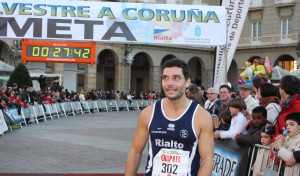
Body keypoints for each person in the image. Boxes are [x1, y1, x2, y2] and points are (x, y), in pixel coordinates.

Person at [125, 58, 214, 176]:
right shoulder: (148, 113)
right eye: (165, 78)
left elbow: (207, 159)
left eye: (176, 78)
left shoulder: (202, 116)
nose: (169, 83)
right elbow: (135, 151)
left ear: (187, 82)